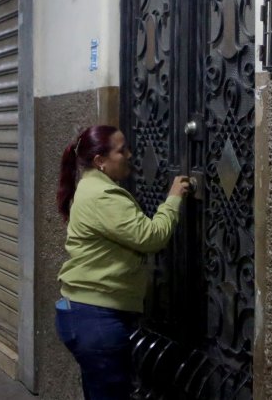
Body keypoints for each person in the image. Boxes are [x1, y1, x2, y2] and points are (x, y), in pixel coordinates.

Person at [54, 124, 191, 400]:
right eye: (122, 150)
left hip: (83, 314)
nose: (129, 155)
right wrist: (174, 198)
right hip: (96, 318)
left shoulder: (90, 188)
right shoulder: (103, 196)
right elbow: (151, 237)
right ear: (100, 161)